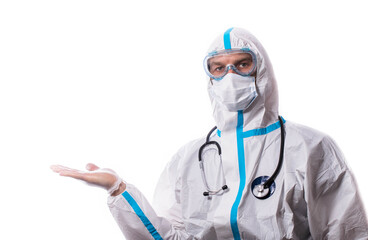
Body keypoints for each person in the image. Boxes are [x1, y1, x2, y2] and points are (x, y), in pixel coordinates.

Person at [51, 27, 368, 239]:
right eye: (219, 67)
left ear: (263, 71)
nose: (230, 75)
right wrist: (119, 189)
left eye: (242, 64)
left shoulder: (311, 148)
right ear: (210, 77)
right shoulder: (189, 158)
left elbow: (346, 232)